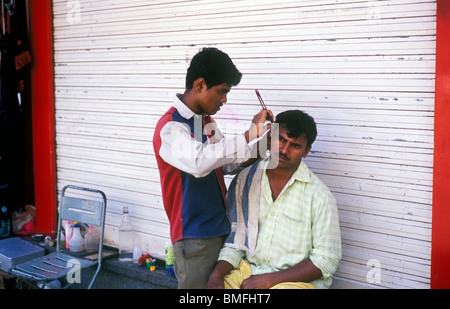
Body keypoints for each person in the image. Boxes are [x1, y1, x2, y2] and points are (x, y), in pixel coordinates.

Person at [153, 47, 273, 289]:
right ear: (199, 85)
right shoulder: (170, 128)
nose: (224, 99)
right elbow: (199, 163)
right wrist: (249, 134)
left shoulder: (206, 121)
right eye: (222, 91)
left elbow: (224, 163)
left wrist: (264, 145)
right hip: (195, 237)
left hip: (221, 229)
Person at [207, 110, 342, 289]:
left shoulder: (319, 197)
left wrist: (270, 280)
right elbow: (237, 242)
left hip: (295, 282)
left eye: (295, 146)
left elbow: (326, 260)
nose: (284, 150)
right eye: (282, 140)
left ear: (306, 151)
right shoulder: (245, 180)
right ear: (270, 138)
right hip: (248, 272)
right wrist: (216, 275)